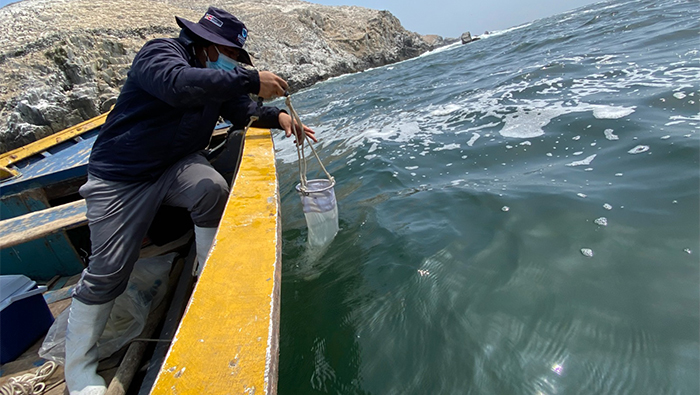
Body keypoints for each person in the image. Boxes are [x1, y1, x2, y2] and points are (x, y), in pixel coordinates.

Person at [64, 7, 315, 395]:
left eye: (237, 56)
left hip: (177, 164)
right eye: (229, 52)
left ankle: (205, 275)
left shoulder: (222, 78)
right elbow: (178, 85)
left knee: (210, 188)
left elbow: (240, 109)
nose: (233, 61)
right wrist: (249, 78)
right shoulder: (159, 54)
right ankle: (79, 369)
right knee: (109, 269)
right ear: (206, 44)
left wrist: (277, 116)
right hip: (122, 177)